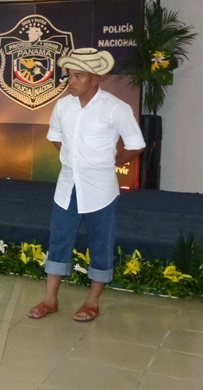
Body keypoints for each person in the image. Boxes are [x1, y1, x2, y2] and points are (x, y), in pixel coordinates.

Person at [27, 48, 145, 322]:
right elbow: (55, 136)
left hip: (101, 189)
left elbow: (136, 144)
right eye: (69, 75)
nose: (71, 81)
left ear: (96, 78)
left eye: (78, 76)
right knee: (59, 239)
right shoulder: (63, 106)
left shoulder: (115, 108)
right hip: (67, 185)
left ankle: (92, 301)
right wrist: (73, 158)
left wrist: (110, 162)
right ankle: (50, 299)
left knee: (100, 241)